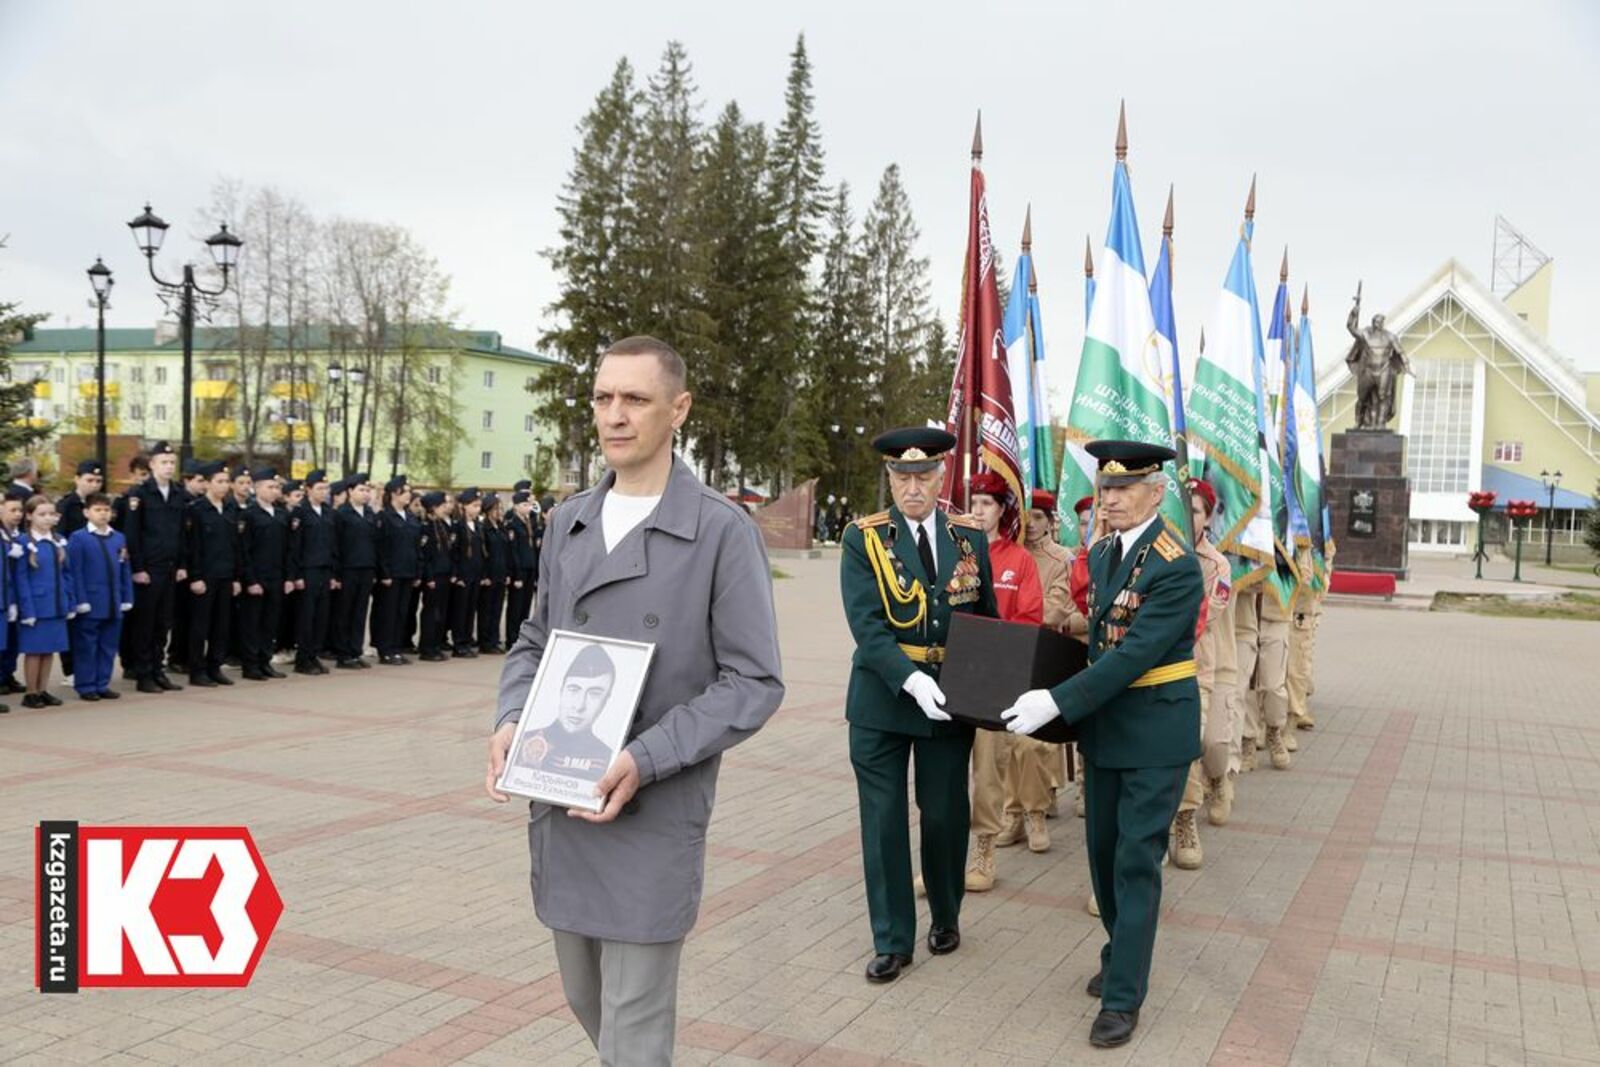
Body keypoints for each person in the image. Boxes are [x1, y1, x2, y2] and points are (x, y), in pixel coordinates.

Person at [488, 335, 783, 1066]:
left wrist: (644, 757)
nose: (615, 415)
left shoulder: (719, 529)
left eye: (636, 399)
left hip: (652, 806)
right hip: (564, 798)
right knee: (587, 996)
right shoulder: (569, 522)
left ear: (678, 409)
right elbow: (534, 637)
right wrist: (511, 717)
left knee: (634, 1021)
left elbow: (754, 680)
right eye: (603, 397)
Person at [1000, 440, 1203, 1050]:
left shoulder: (1176, 563)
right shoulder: (1107, 550)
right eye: (1105, 489)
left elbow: (1136, 654)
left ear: (1157, 492)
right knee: (1102, 852)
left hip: (1156, 731)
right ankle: (1121, 947)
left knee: (1135, 861)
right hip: (1108, 729)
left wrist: (1057, 701)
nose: (1109, 500)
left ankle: (1124, 996)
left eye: (1123, 489)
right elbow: (1098, 641)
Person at [839, 427, 997, 984]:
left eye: (924, 476)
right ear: (889, 479)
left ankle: (947, 915)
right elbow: (867, 627)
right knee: (883, 822)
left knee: (945, 813)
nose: (913, 487)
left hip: (949, 699)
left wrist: (992, 691)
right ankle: (892, 939)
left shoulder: (967, 537)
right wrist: (910, 680)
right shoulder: (865, 539)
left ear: (940, 478)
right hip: (884, 697)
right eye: (902, 477)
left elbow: (987, 621)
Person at [963, 470, 1044, 894]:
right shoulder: (955, 553)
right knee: (945, 772)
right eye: (973, 502)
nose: (978, 510)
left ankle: (984, 848)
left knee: (990, 771)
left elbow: (1030, 620)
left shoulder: (1019, 561)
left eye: (987, 503)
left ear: (1002, 511)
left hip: (994, 680)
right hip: (951, 677)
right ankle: (943, 855)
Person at [1169, 477, 1233, 868]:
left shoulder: (1217, 565)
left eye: (1194, 510)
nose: (1187, 516)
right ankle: (1170, 822)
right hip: (1157, 669)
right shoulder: (1161, 553)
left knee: (1199, 745)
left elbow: (1207, 614)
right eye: (1183, 508)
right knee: (1170, 749)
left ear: (1207, 518)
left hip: (1197, 669)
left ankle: (1188, 815)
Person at [123, 441, 186, 694]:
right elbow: (132, 533)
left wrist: (182, 564)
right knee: (145, 623)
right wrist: (138, 567)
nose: (169, 467)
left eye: (172, 463)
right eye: (164, 462)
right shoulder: (139, 494)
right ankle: (143, 673)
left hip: (170, 567)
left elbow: (182, 532)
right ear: (152, 465)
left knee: (163, 623)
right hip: (149, 569)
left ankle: (158, 670)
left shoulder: (178, 493)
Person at [516, 643, 622, 776]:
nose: (579, 706)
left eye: (594, 694)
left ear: (606, 700)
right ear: (561, 690)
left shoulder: (609, 759)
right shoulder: (523, 742)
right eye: (574, 689)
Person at [66, 492, 133, 701]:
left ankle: (102, 683)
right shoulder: (79, 538)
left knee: (108, 646)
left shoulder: (118, 537)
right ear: (87, 512)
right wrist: (80, 600)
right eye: (98, 510)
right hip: (91, 601)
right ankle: (86, 685)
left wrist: (126, 596)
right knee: (87, 645)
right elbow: (74, 571)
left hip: (113, 601)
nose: (103, 514)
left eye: (106, 510)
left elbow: (124, 569)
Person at [182, 462, 243, 688]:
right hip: (205, 576)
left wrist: (236, 577)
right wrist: (195, 576)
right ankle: (197, 670)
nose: (224, 486)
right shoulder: (197, 509)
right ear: (207, 483)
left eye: (226, 481)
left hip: (225, 575)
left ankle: (214, 666)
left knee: (221, 625)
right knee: (200, 626)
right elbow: (193, 546)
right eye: (219, 481)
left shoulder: (230, 509)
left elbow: (236, 546)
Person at [14, 495, 75, 708]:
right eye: (42, 514)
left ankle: (42, 689)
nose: (48, 518)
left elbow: (67, 574)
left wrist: (70, 601)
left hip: (56, 603)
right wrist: (26, 609)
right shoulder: (23, 542)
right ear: (29, 516)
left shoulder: (58, 540)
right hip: (37, 605)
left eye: (51, 514)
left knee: (50, 649)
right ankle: (30, 692)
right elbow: (20, 578)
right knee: (34, 650)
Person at [238, 468, 290, 681]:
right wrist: (250, 580)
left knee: (270, 622)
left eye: (277, 487)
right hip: (257, 578)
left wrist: (287, 577)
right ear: (257, 488)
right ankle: (250, 664)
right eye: (270, 486)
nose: (275, 491)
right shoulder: (248, 514)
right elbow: (244, 550)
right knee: (252, 623)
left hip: (276, 577)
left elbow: (288, 549)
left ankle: (264, 661)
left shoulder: (281, 514)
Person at [290, 470, 339, 675]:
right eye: (319, 488)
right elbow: (294, 547)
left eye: (326, 488)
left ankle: (313, 655)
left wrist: (334, 574)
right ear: (308, 489)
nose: (324, 492)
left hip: (325, 570)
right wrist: (297, 575)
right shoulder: (300, 512)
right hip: (307, 571)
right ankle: (302, 659)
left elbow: (334, 545)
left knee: (321, 616)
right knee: (306, 617)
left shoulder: (328, 512)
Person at [374, 476, 421, 666]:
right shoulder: (384, 517)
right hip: (391, 574)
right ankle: (385, 650)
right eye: (406, 491)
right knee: (388, 612)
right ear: (395, 493)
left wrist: (417, 572)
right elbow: (381, 548)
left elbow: (416, 548)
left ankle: (396, 648)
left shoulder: (411, 517)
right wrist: (384, 573)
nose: (409, 495)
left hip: (407, 572)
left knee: (402, 612)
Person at [332, 473, 377, 669]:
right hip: (347, 570)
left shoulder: (370, 514)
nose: (366, 494)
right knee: (345, 613)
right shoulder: (341, 514)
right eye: (361, 490)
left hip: (366, 569)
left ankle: (355, 651)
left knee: (360, 613)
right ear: (350, 491)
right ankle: (343, 654)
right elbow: (336, 545)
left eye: (368, 490)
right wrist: (337, 574)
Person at [417, 492, 453, 661]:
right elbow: (425, 555)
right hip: (433, 577)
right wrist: (429, 577)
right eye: (441, 506)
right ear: (432, 508)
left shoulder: (443, 525)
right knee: (431, 613)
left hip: (445, 574)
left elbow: (448, 552)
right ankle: (427, 647)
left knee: (442, 612)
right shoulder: (426, 527)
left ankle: (437, 644)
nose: (444, 508)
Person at [449, 488, 484, 657]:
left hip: (475, 574)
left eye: (479, 506)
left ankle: (467, 640)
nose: (478, 509)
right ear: (464, 506)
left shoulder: (478, 525)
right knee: (460, 611)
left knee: (470, 610)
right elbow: (454, 553)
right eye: (474, 505)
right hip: (463, 575)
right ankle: (459, 643)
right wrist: (456, 575)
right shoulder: (458, 526)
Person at [504, 490, 539, 646]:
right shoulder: (513, 524)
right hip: (520, 571)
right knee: (515, 607)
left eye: (530, 505)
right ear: (516, 506)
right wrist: (517, 575)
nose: (528, 508)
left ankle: (522, 637)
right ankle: (511, 638)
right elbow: (514, 552)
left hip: (530, 568)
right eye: (525, 505)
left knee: (525, 606)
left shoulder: (529, 522)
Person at [477, 493, 510, 654]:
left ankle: (494, 639)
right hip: (489, 575)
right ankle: (485, 642)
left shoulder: (500, 527)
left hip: (500, 574)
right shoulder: (484, 528)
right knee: (486, 610)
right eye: (497, 508)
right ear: (489, 509)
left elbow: (506, 551)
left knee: (497, 609)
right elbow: (482, 554)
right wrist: (484, 575)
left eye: (501, 508)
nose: (500, 511)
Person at [0, 491, 22, 712]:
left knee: (12, 641)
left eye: (19, 510)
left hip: (14, 596)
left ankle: (8, 675)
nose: (17, 514)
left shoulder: (17, 535)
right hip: (3, 596)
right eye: (12, 510)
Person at [57, 458, 105, 537]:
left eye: (98, 481)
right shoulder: (66, 506)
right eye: (89, 480)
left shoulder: (103, 505)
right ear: (77, 479)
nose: (94, 485)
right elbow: (60, 536)